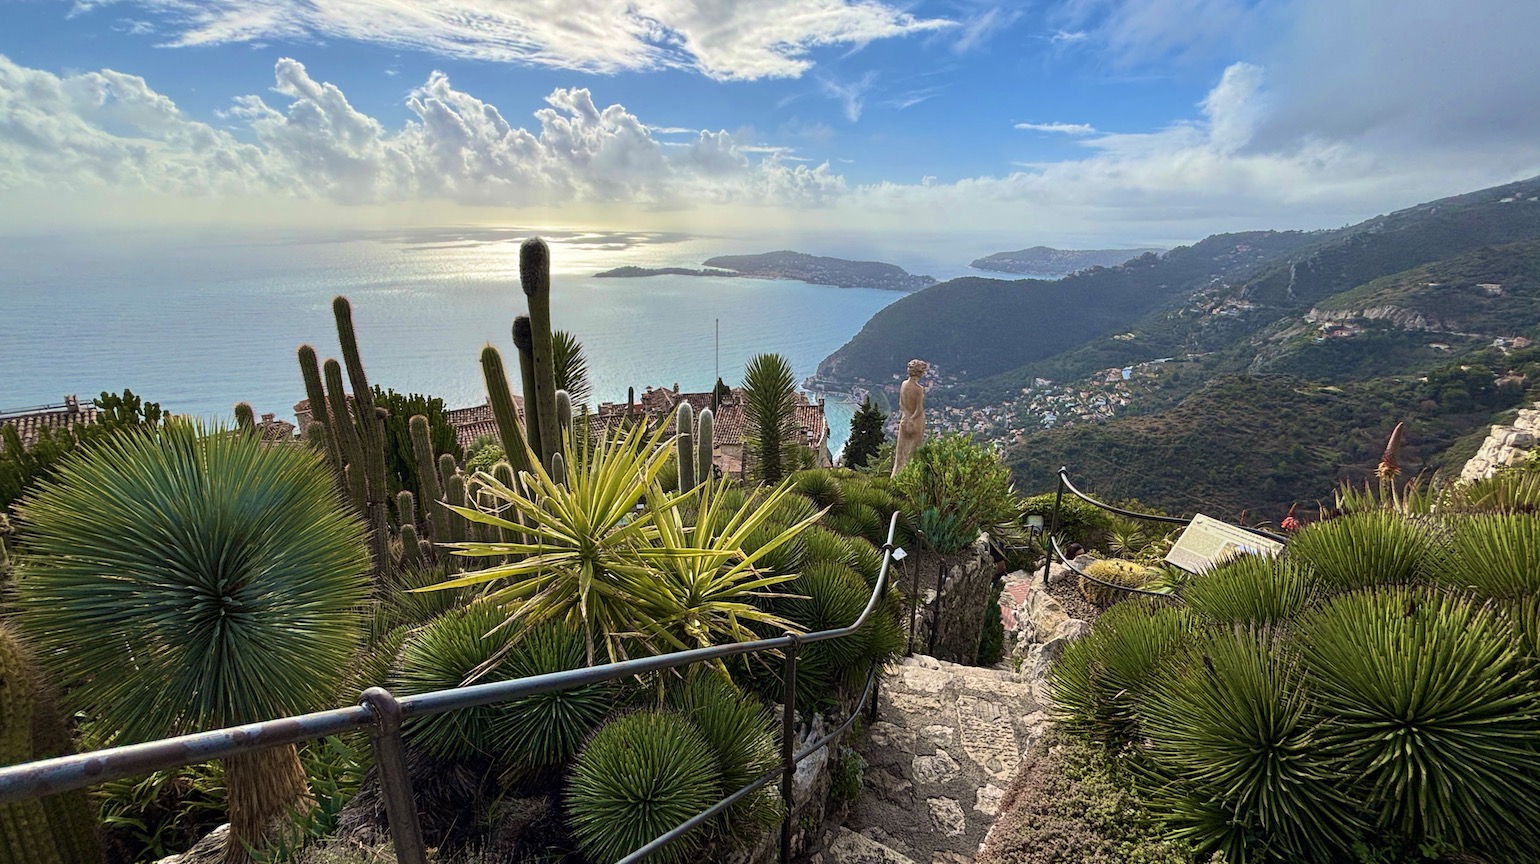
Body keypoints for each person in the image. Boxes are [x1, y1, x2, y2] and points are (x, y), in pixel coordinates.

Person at [891, 358, 929, 477]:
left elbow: (901, 404)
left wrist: (906, 416)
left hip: (904, 419)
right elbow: (919, 408)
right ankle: (909, 477)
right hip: (916, 421)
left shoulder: (903, 384)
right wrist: (913, 418)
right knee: (913, 451)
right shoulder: (919, 389)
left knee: (901, 452)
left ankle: (896, 476)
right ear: (920, 373)